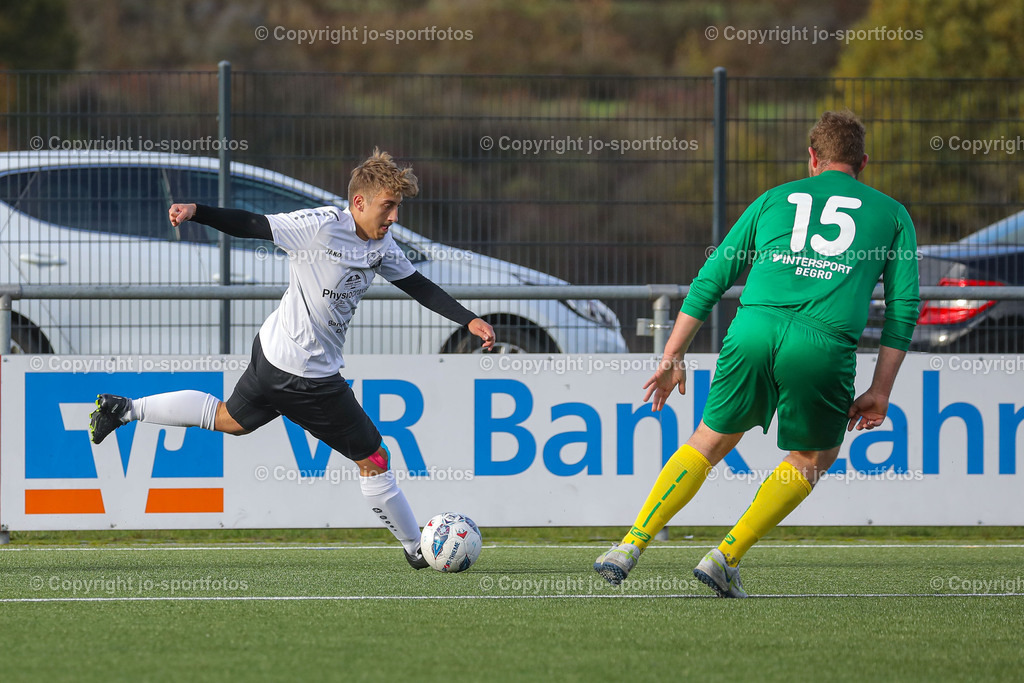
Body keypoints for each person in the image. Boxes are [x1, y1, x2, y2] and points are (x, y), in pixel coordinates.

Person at [90, 148, 496, 569]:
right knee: (374, 459)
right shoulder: (320, 226)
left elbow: (418, 285)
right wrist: (198, 211)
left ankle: (126, 409)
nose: (394, 216)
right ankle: (417, 548)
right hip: (306, 376)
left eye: (397, 207)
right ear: (359, 202)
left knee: (230, 419)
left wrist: (467, 320)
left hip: (272, 353)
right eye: (387, 206)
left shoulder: (381, 243)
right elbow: (252, 224)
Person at [594, 111, 920, 596]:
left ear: (812, 158)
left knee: (708, 439)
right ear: (863, 163)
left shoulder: (773, 199)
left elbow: (712, 278)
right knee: (813, 455)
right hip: (823, 344)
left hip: (752, 328)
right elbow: (903, 309)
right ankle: (724, 557)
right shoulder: (892, 215)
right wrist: (880, 389)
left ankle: (629, 544)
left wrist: (672, 355)